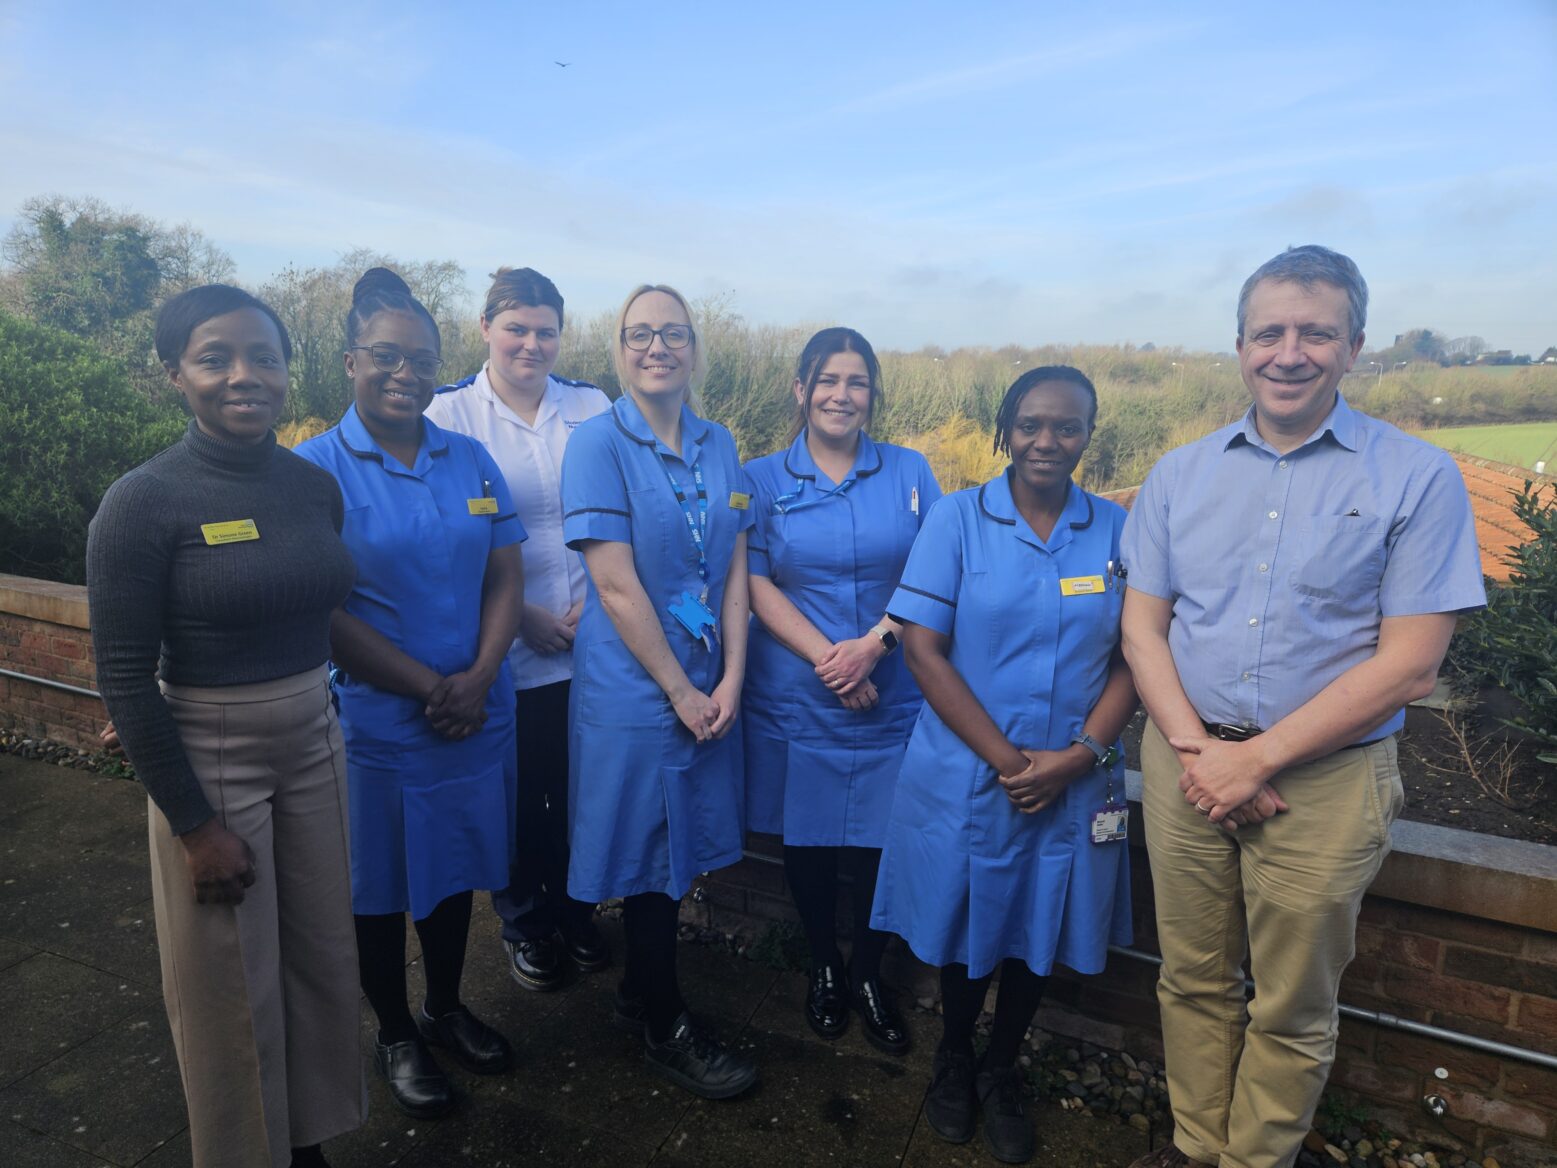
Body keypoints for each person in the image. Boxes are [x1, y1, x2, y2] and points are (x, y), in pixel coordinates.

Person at [1119, 245, 1486, 1168]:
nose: (1290, 353)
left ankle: (1257, 1161)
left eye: (1315, 332)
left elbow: (1408, 666)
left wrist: (1257, 758)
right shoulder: (1178, 475)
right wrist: (1201, 751)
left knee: (1291, 1003)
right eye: (1269, 332)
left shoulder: (1415, 477)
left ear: (1353, 346)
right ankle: (1198, 1149)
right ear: (1239, 346)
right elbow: (1142, 633)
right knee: (1192, 980)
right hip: (1182, 760)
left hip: (1324, 782)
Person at [87, 285, 362, 1168]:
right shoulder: (142, 504)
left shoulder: (314, 488)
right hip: (210, 757)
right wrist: (193, 826)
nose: (245, 376)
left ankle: (311, 1140)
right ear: (176, 373)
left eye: (266, 358)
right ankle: (250, 1152)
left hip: (315, 741)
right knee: (228, 983)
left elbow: (318, 613)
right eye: (216, 359)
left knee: (321, 959)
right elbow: (124, 676)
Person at [871, 367, 1136, 1164]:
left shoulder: (1118, 530)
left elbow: (1138, 656)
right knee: (968, 920)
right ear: (1004, 430)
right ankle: (952, 1055)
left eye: (1066, 426)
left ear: (1089, 433)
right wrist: (1014, 762)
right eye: (1029, 425)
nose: (1046, 441)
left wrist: (1075, 757)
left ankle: (1000, 1066)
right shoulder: (957, 519)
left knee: (1040, 921)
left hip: (1078, 771)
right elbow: (922, 649)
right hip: (973, 771)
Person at [294, 268, 524, 1120]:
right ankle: (395, 1028)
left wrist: (481, 674)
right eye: (385, 356)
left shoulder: (469, 456)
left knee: (454, 873)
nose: (405, 373)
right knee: (380, 886)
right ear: (351, 361)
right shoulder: (312, 472)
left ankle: (447, 1005)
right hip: (381, 725)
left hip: (474, 717)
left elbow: (507, 571)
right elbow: (320, 608)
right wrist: (434, 686)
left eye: (421, 359)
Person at [561, 283, 758, 1099]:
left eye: (672, 333)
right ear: (618, 347)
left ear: (693, 349)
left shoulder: (721, 444)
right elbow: (613, 585)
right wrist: (679, 689)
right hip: (638, 689)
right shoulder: (596, 444)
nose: (656, 348)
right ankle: (661, 1020)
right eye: (639, 334)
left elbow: (738, 569)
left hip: (709, 678)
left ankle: (643, 989)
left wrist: (734, 676)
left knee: (682, 844)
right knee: (647, 848)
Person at [742, 327, 941, 1052]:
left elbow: (933, 573)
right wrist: (832, 659)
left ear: (871, 395)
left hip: (892, 691)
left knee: (882, 842)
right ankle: (822, 964)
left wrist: (872, 648)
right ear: (800, 390)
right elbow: (753, 580)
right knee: (811, 838)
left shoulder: (912, 471)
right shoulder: (760, 478)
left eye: (856, 382)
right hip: (800, 691)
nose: (840, 394)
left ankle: (866, 971)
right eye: (827, 380)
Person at [426, 267, 612, 992]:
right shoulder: (450, 418)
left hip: (593, 637)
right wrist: (519, 617)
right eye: (516, 329)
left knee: (575, 790)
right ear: (485, 329)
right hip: (502, 647)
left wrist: (596, 600)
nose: (531, 344)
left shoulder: (592, 407)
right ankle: (523, 920)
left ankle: (573, 909)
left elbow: (619, 514)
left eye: (545, 331)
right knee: (514, 793)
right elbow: (441, 540)